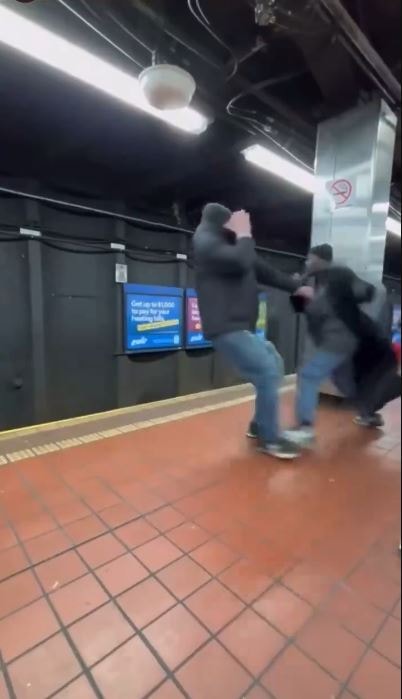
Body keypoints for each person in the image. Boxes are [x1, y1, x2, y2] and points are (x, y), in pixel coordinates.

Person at [193, 203, 307, 460]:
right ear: (222, 224)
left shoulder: (231, 246)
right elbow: (242, 260)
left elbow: (264, 270)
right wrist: (244, 233)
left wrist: (297, 287)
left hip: (241, 327)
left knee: (274, 363)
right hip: (225, 326)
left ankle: (259, 425)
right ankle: (270, 440)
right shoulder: (205, 241)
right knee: (266, 371)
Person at [286, 265, 375, 446]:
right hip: (348, 341)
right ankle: (369, 414)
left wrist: (297, 292)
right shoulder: (343, 288)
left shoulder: (328, 291)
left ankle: (305, 429)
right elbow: (367, 291)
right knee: (345, 383)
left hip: (337, 341)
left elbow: (307, 309)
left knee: (308, 376)